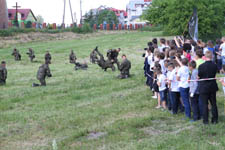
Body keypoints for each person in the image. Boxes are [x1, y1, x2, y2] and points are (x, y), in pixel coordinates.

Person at [198, 51, 218, 124]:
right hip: (212, 86)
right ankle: (215, 119)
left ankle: (205, 121)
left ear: (205, 57)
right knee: (213, 103)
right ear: (212, 56)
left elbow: (199, 76)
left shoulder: (201, 66)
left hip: (204, 87)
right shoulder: (215, 65)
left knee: (204, 104)